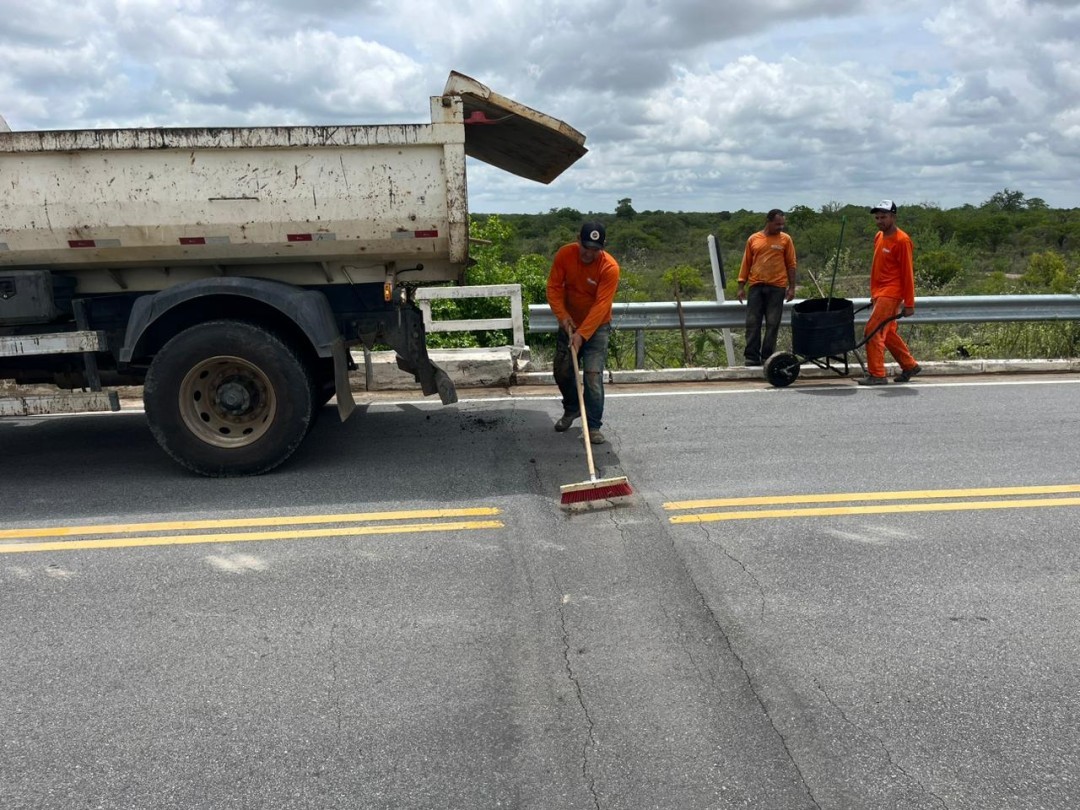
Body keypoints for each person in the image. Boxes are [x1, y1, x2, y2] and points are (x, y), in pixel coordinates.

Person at [546, 222, 621, 444]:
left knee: (592, 376)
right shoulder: (565, 255)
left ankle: (593, 425)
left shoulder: (609, 267)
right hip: (569, 323)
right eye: (585, 247)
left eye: (595, 249)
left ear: (603, 247)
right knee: (562, 370)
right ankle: (572, 408)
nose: (589, 253)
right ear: (578, 240)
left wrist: (582, 335)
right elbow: (553, 288)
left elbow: (601, 306)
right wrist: (563, 317)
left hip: (598, 328)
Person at [857, 199, 921, 385]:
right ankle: (909, 365)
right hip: (880, 293)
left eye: (883, 217)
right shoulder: (879, 236)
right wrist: (874, 295)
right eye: (877, 218)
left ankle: (877, 374)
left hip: (891, 293)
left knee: (872, 330)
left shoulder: (902, 240)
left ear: (893, 217)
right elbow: (879, 268)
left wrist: (909, 303)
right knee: (888, 332)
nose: (879, 221)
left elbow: (907, 274)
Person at [736, 209, 797, 366]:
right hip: (756, 286)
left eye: (782, 224)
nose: (780, 227)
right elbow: (746, 263)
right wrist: (741, 286)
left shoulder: (786, 239)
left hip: (777, 287)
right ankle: (752, 357)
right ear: (768, 221)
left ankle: (767, 357)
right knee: (752, 322)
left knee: (773, 323)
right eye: (777, 224)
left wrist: (792, 288)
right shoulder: (754, 239)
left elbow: (791, 264)